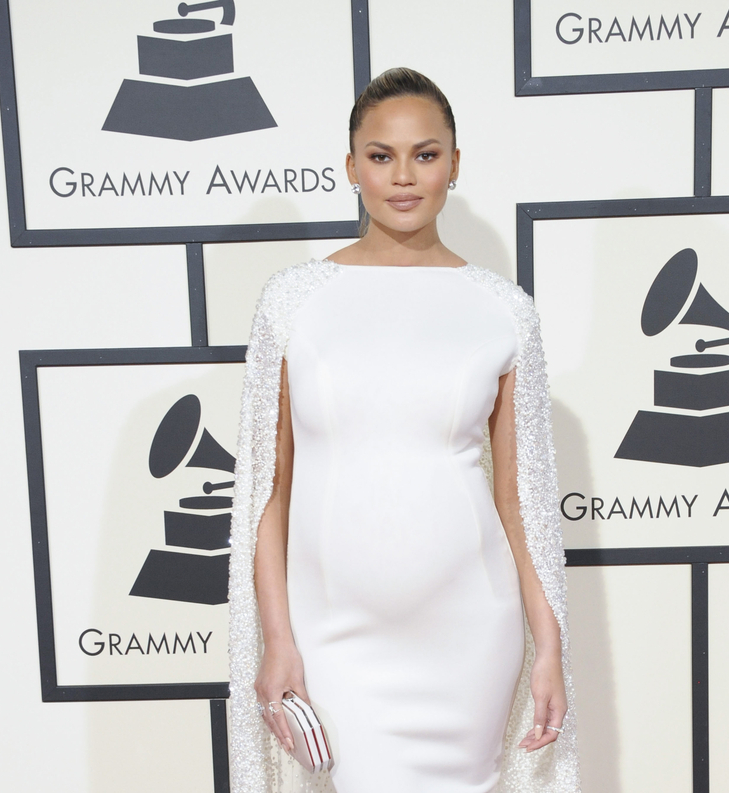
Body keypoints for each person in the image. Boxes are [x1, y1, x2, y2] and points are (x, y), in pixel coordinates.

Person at [228, 67, 579, 793]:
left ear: (455, 163)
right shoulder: (293, 302)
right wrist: (277, 637)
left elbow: (520, 500)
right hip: (333, 628)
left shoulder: (504, 310)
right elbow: (270, 490)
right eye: (381, 156)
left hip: (470, 625)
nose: (404, 176)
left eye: (425, 154)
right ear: (351, 166)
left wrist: (549, 646)